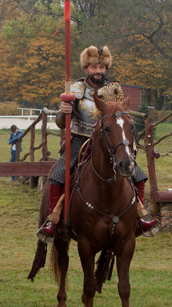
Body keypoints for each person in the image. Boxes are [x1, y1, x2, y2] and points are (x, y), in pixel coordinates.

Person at [37, 45, 158, 240]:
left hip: (108, 142)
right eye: (94, 67)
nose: (98, 71)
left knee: (138, 175)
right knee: (59, 175)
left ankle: (139, 218)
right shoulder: (76, 88)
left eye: (102, 67)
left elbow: (121, 119)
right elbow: (61, 123)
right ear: (86, 69)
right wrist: (64, 111)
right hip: (80, 139)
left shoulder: (113, 90)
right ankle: (53, 220)